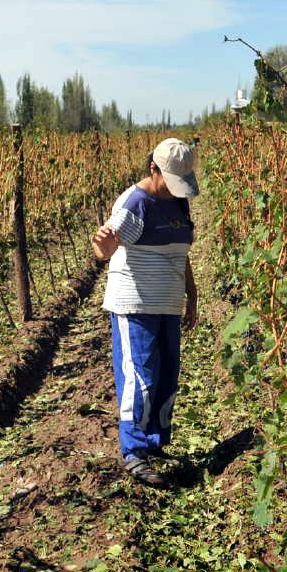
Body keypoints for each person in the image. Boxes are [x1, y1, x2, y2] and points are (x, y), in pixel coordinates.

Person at [91, 137, 198, 487]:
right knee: (141, 375)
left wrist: (191, 296)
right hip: (135, 304)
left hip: (167, 304)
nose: (175, 189)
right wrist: (104, 244)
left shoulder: (178, 203)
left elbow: (180, 252)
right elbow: (106, 246)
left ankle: (155, 442)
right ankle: (133, 451)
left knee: (167, 372)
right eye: (170, 180)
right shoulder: (136, 203)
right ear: (153, 168)